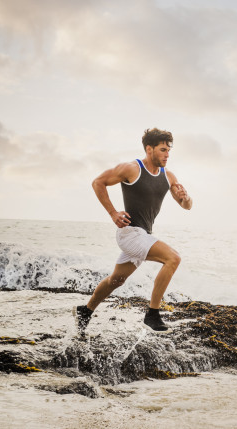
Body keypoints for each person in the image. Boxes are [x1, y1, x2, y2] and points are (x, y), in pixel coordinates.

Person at [73, 128, 192, 334]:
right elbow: (98, 182)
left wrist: (185, 196)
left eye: (169, 150)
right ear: (149, 149)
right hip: (129, 233)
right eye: (163, 149)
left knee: (116, 281)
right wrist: (112, 213)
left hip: (143, 235)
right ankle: (152, 314)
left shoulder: (168, 176)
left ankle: (86, 310)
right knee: (173, 259)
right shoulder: (131, 169)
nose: (167, 154)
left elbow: (186, 205)